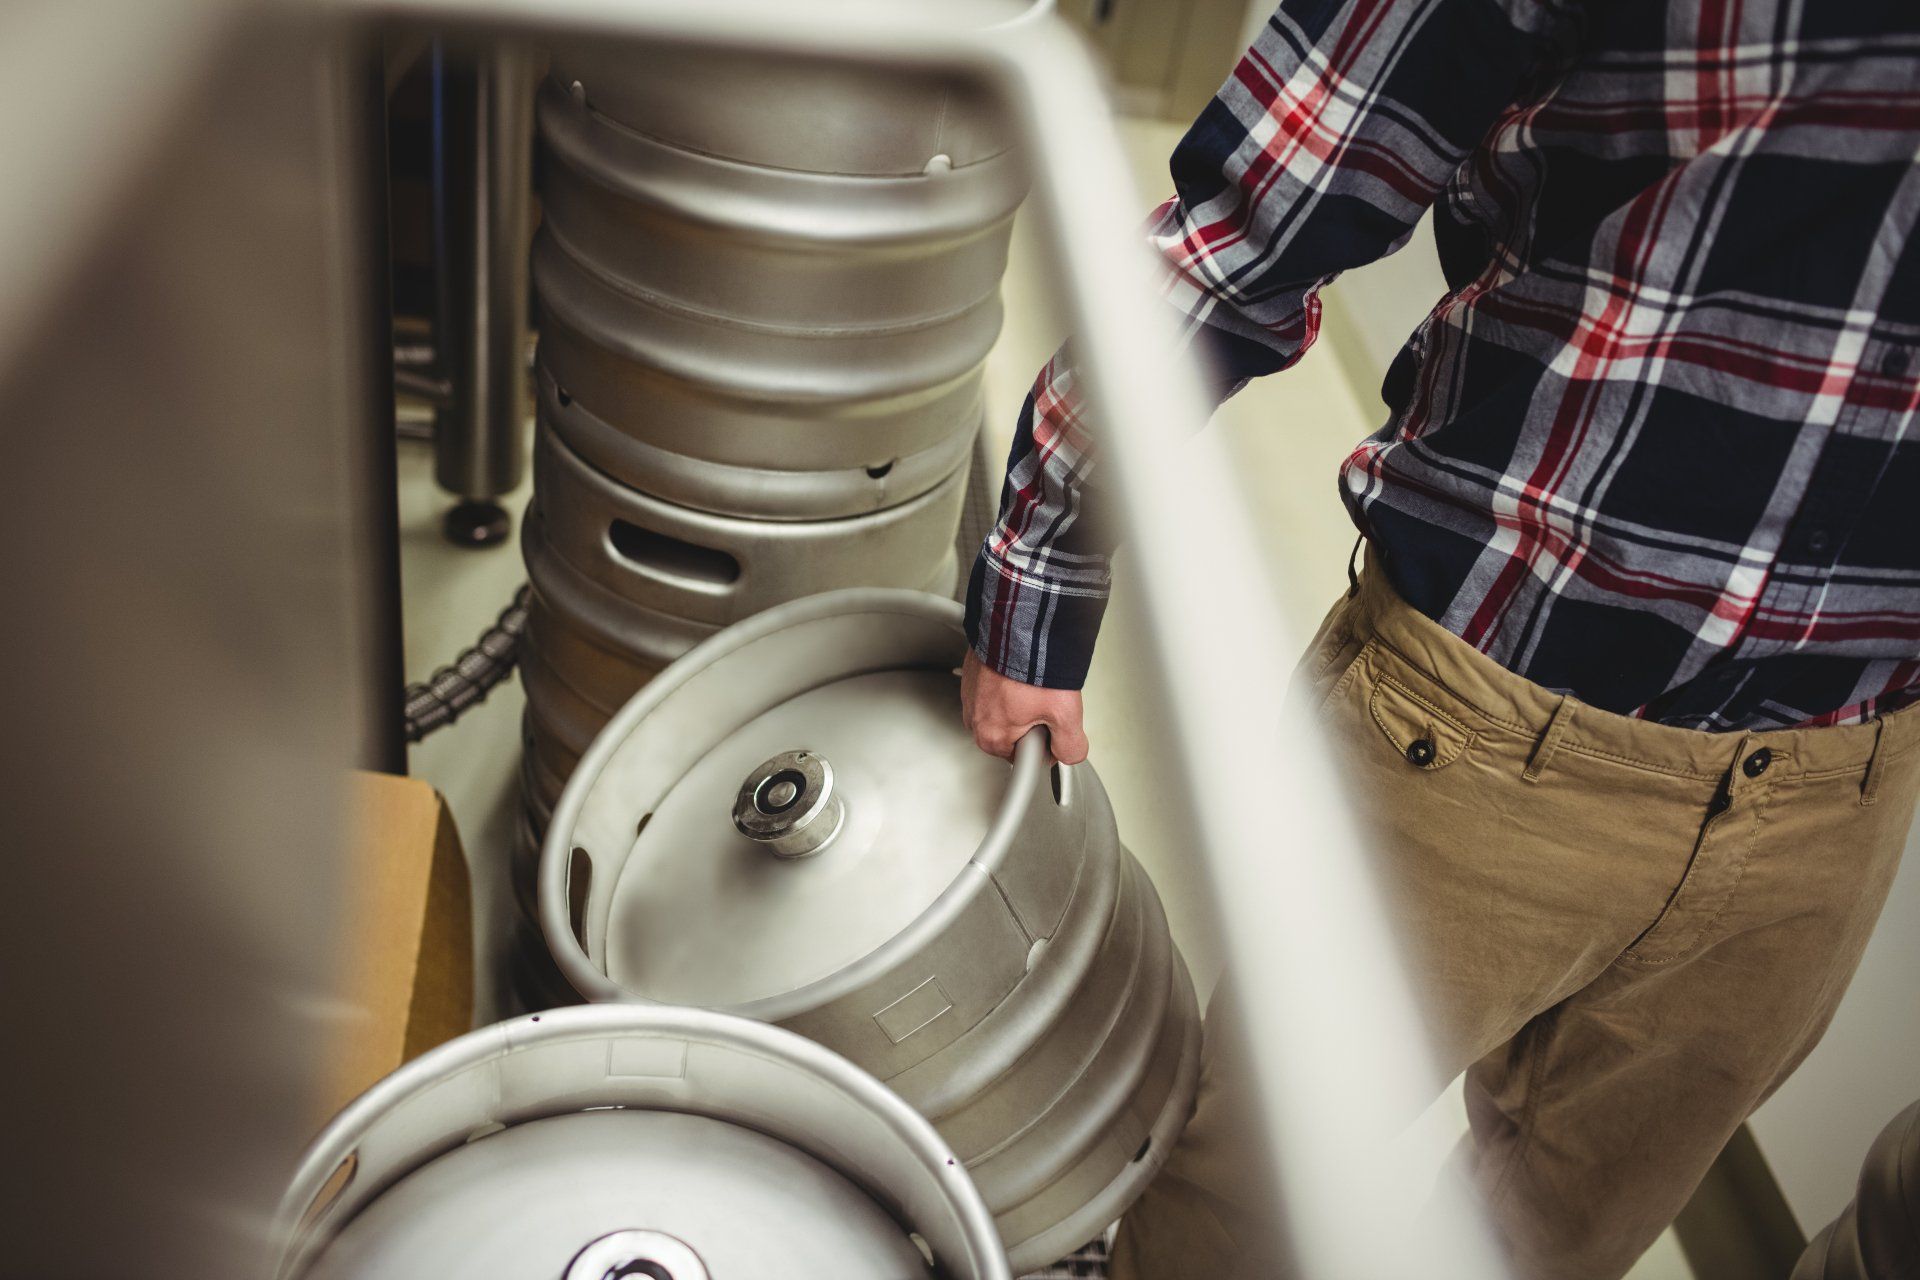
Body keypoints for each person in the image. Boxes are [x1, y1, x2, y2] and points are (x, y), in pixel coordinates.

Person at [958, 1, 1920, 1276]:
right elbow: (1256, 221)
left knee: (1550, 1249)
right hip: (1482, 714)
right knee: (1236, 1207)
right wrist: (1043, 558)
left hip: (1845, 779)